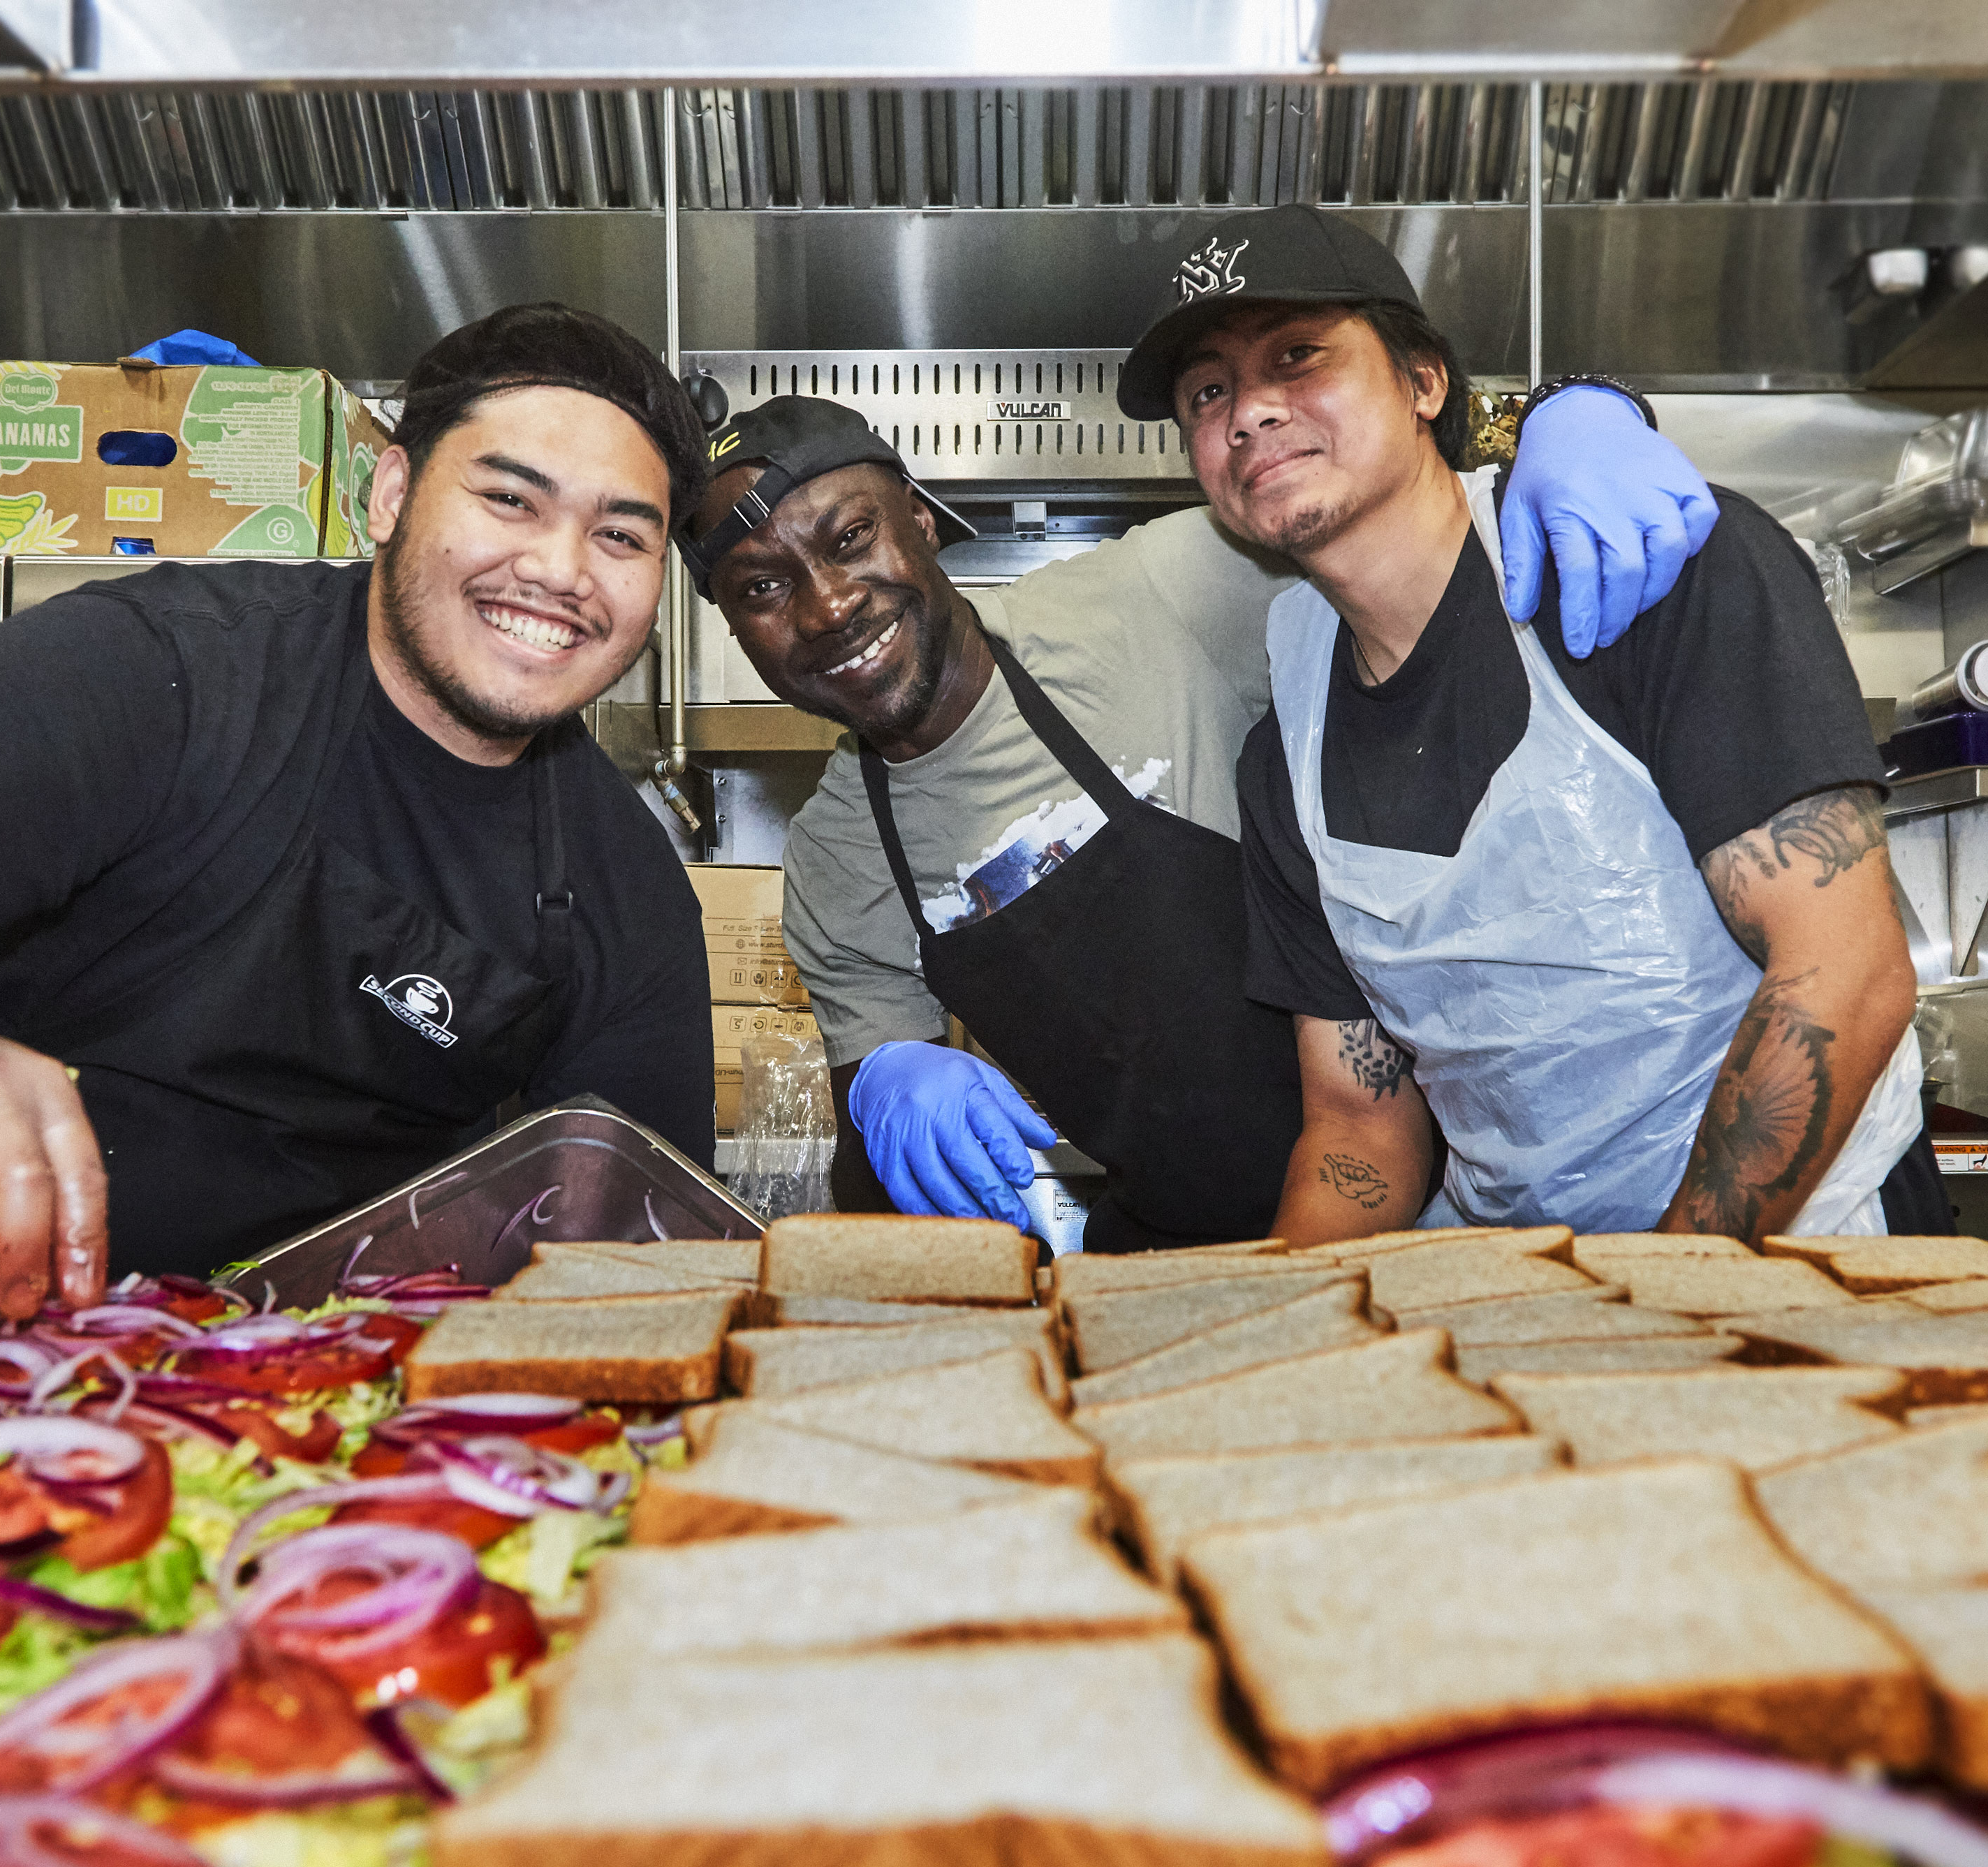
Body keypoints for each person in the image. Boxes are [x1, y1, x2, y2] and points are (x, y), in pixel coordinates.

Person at [0, 304, 716, 1313]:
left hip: (313, 1417)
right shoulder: (170, 671)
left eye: (620, 538)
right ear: (390, 495)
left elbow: (636, 1264)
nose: (558, 569)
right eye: (510, 500)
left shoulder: (624, 889)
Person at [686, 362, 1721, 1253]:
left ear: (919, 520)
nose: (827, 606)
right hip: (1165, 1251)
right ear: (734, 630)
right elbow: (886, 1191)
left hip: (1420, 1206)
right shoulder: (834, 860)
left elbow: (1406, 506)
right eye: (762, 590)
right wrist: (881, 1092)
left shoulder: (1165, 589)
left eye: (852, 536)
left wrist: (1571, 412)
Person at [1109, 204, 1947, 1243]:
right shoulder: (1287, 762)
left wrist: (1668, 1289)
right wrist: (1288, 1321)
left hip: (1801, 1246)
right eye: (1209, 392)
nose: (1248, 413)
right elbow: (1359, 1127)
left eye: (1298, 355)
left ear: (1424, 382)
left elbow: (1844, 971)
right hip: (1531, 1277)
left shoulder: (1640, 576)